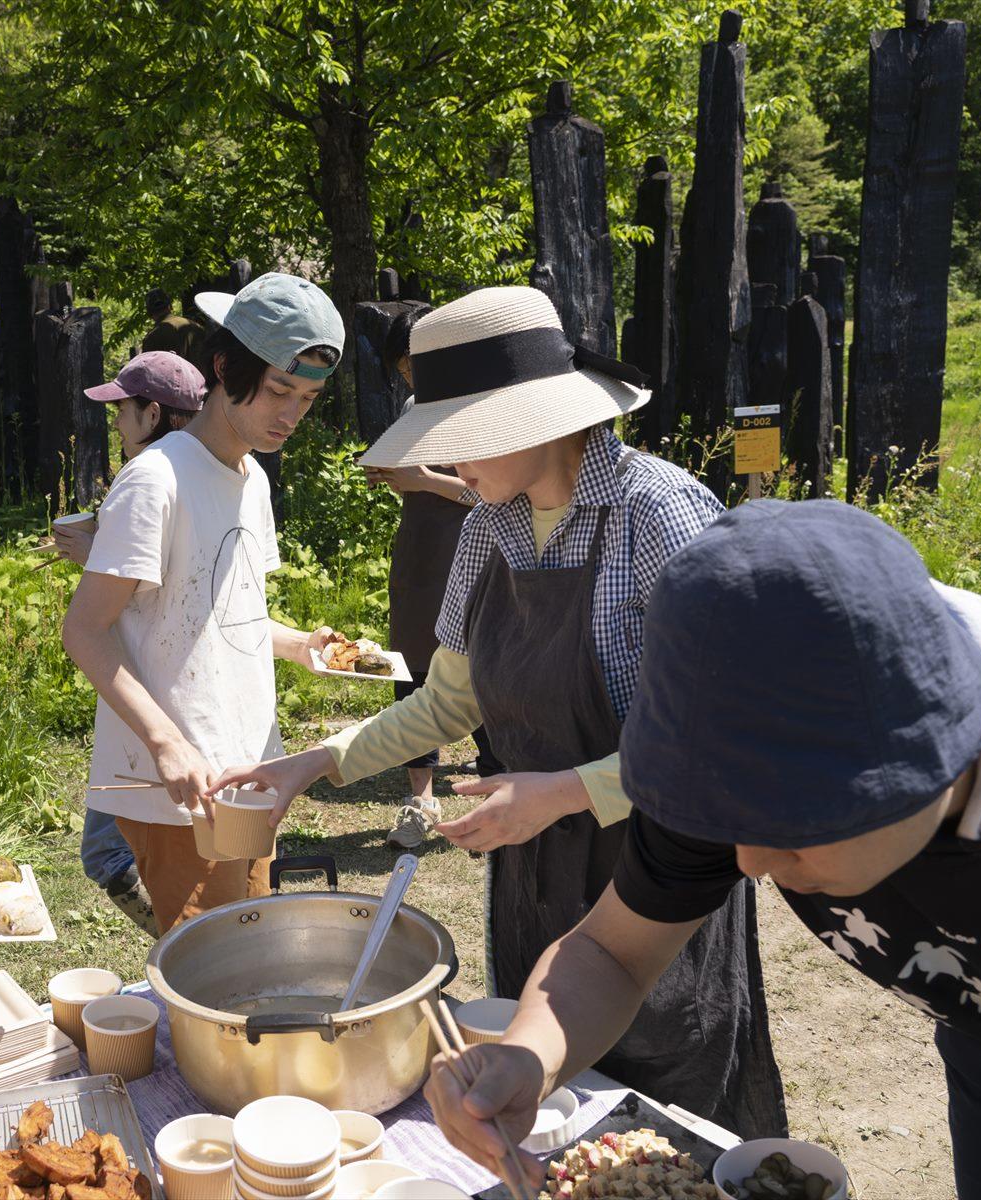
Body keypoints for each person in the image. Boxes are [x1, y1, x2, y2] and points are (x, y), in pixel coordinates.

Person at [217, 287, 786, 1137]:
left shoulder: (660, 513)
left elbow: (730, 736)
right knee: (547, 1102)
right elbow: (450, 700)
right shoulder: (489, 525)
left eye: (459, 438)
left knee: (662, 1124)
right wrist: (316, 763)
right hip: (537, 871)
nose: (446, 464)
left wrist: (563, 792)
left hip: (662, 862)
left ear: (532, 420)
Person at [425, 501, 981, 1200]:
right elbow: (614, 951)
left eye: (787, 829)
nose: (747, 863)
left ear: (930, 758)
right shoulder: (741, 742)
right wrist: (530, 1055)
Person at [63, 272, 344, 932]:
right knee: (209, 971)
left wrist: (299, 644)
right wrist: (165, 742)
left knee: (250, 950)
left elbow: (227, 619)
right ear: (223, 367)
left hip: (247, 769)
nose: (291, 414)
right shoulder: (155, 480)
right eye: (278, 390)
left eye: (307, 397)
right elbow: (84, 630)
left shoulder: (252, 480)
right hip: (171, 786)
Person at [53, 350, 208, 937]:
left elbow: (155, 595)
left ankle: (186, 954)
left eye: (123, 410)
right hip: (178, 689)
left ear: (153, 413)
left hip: (144, 691)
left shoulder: (145, 479)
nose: (116, 423)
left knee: (107, 852)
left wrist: (91, 557)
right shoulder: (205, 473)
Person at [361, 304, 500, 849]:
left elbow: (487, 495)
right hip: (418, 554)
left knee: (484, 667)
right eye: (402, 370)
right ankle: (419, 800)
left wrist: (425, 478)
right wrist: (394, 477)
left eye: (414, 364)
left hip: (473, 552)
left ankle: (493, 792)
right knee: (411, 665)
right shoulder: (417, 408)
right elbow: (417, 478)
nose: (409, 378)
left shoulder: (484, 410)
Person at [140, 288, 204, 364]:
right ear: (170, 306)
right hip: (201, 375)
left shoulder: (151, 338)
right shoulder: (195, 326)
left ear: (149, 313)